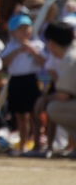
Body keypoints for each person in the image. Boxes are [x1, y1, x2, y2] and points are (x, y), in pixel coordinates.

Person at [1, 14, 47, 154]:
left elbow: (43, 62)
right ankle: (23, 145)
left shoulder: (37, 45)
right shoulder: (10, 46)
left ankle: (37, 145)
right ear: (13, 32)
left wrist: (31, 49)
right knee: (20, 115)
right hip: (15, 80)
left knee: (35, 114)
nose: (24, 31)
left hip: (31, 80)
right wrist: (18, 50)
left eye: (26, 28)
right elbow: (3, 63)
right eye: (20, 29)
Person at [35, 22, 76, 151]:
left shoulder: (70, 58)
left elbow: (63, 96)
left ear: (51, 43)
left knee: (54, 108)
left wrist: (44, 99)